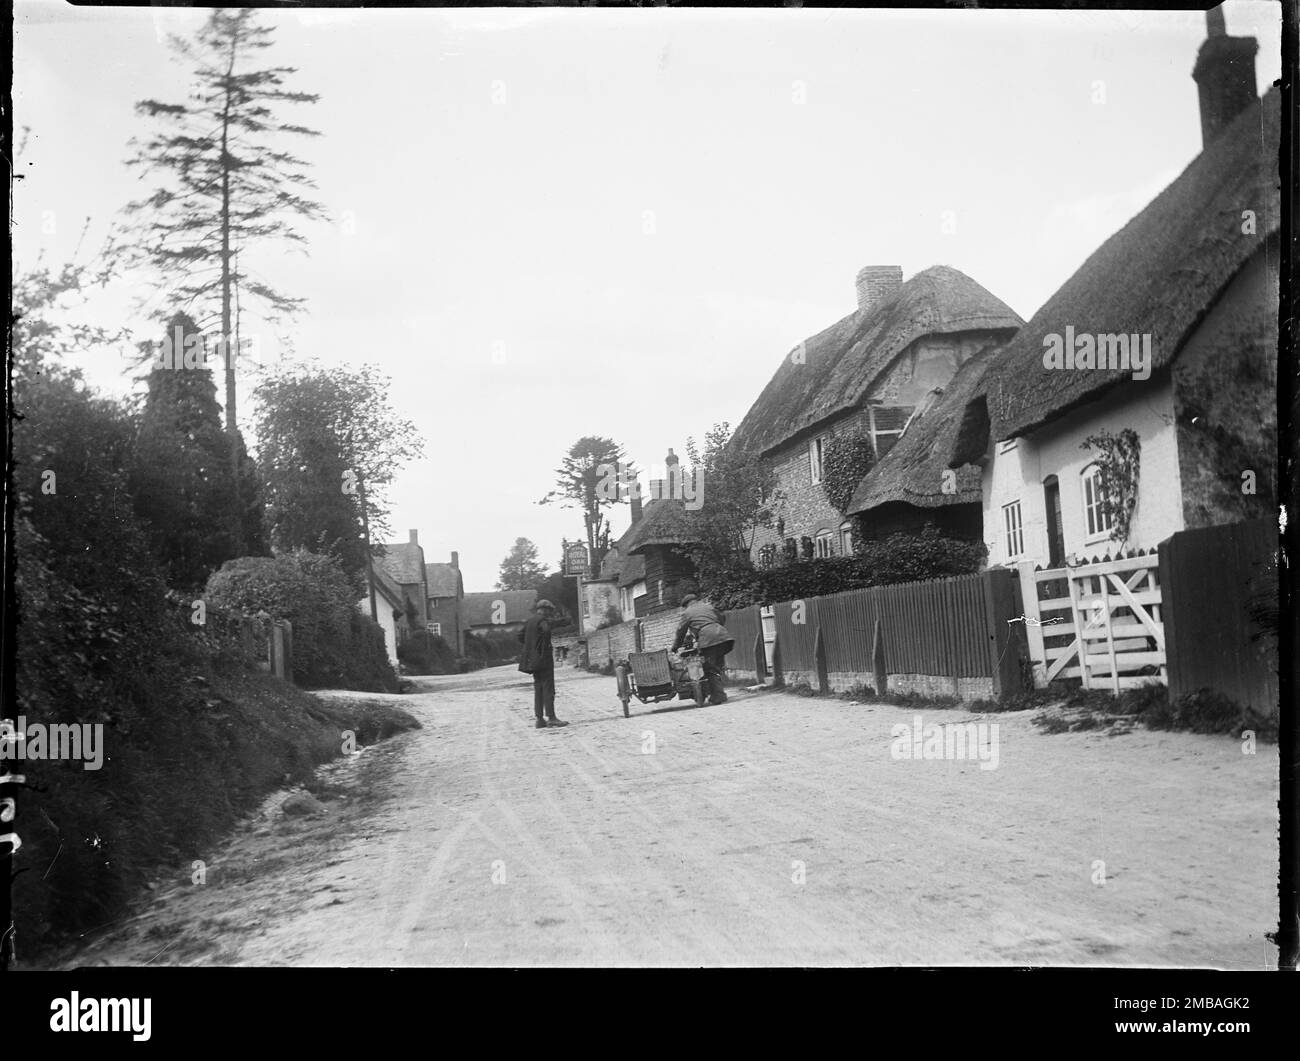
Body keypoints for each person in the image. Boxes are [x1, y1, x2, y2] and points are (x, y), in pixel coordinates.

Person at [671, 593, 735, 705]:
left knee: (709, 668)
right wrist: (715, 626)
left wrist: (676, 646)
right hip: (724, 637)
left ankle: (718, 696)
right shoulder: (708, 606)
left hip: (708, 639)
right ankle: (716, 693)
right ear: (696, 600)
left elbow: (681, 631)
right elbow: (722, 617)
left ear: (686, 605)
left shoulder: (687, 612)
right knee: (717, 666)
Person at [518, 599, 568, 729]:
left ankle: (539, 719)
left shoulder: (529, 622)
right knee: (548, 688)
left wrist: (531, 646)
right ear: (544, 609)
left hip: (532, 661)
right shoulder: (542, 622)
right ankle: (551, 717)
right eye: (549, 611)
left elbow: (520, 635)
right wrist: (542, 648)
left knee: (538, 688)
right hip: (544, 659)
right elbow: (546, 633)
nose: (550, 613)